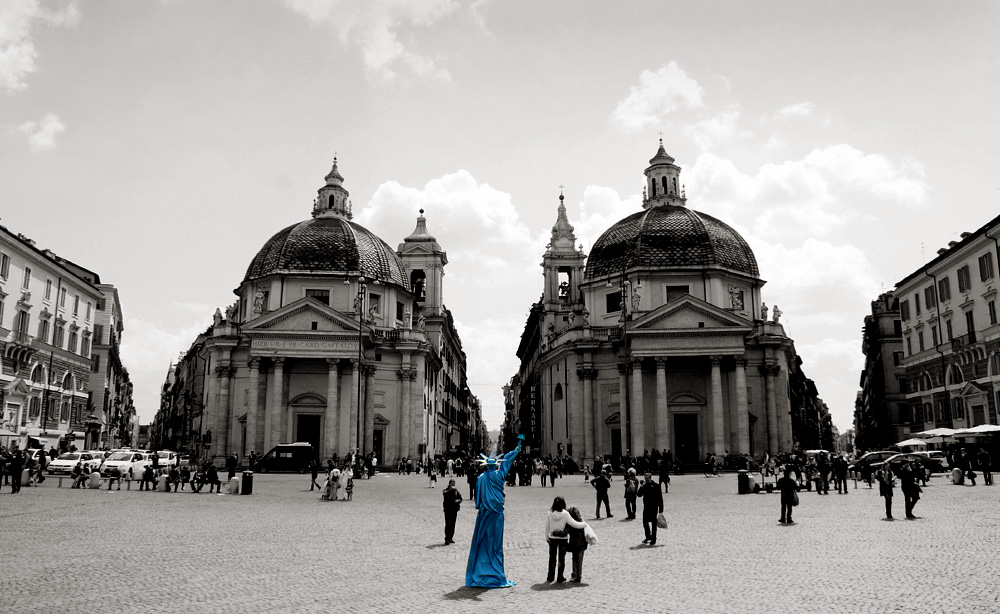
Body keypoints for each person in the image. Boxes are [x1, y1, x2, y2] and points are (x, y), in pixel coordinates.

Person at [466, 433, 523, 589]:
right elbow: (508, 463)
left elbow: (477, 499)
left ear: (486, 465)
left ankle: (480, 572)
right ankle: (496, 573)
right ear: (495, 465)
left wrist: (481, 506)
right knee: (495, 544)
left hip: (484, 514)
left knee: (482, 541)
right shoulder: (500, 475)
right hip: (497, 512)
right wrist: (516, 449)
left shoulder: (480, 479)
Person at [544, 495, 587, 583]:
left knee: (552, 558)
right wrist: (584, 524)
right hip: (562, 539)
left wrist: (547, 538)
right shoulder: (565, 514)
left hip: (553, 538)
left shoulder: (550, 513)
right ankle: (560, 577)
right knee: (561, 558)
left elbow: (546, 527)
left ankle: (550, 576)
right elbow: (574, 524)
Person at [637, 472, 663, 544]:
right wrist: (641, 486)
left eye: (647, 478)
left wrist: (661, 509)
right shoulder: (644, 486)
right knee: (645, 522)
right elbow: (639, 495)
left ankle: (653, 539)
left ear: (650, 478)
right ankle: (648, 536)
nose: (646, 480)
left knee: (653, 523)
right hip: (646, 507)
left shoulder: (656, 486)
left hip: (654, 507)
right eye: (645, 478)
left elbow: (660, 498)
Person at [565, 506, 589, 583]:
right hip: (582, 543)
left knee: (575, 558)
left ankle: (575, 575)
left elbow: (566, 531)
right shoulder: (581, 521)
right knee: (580, 559)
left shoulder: (570, 523)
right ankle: (579, 575)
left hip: (574, 543)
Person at [443, 479, 463, 544]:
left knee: (453, 524)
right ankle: (447, 538)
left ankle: (451, 537)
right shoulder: (446, 490)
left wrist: (458, 501)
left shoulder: (456, 491)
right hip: (448, 510)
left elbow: (460, 498)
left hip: (454, 510)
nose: (453, 485)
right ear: (449, 484)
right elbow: (445, 494)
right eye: (452, 483)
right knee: (448, 524)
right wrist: (451, 490)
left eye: (454, 484)